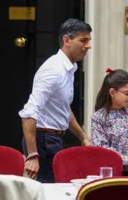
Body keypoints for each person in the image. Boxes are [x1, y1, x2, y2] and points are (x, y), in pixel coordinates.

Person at [19, 18, 92, 183]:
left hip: (53, 139)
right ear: (67, 40)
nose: (88, 46)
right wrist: (32, 155)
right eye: (83, 40)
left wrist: (82, 137)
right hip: (43, 141)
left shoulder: (68, 68)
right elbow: (29, 113)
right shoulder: (53, 70)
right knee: (49, 191)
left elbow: (63, 108)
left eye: (89, 40)